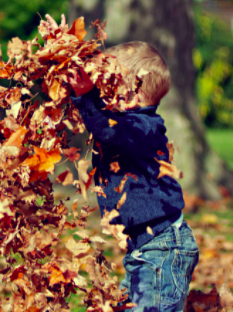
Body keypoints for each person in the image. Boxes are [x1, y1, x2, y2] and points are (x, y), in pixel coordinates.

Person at [43, 15, 200, 312]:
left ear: (132, 93)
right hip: (145, 249)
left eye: (109, 83)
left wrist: (85, 96)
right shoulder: (128, 123)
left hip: (162, 249)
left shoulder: (144, 128)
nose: (101, 91)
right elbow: (101, 121)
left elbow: (108, 130)